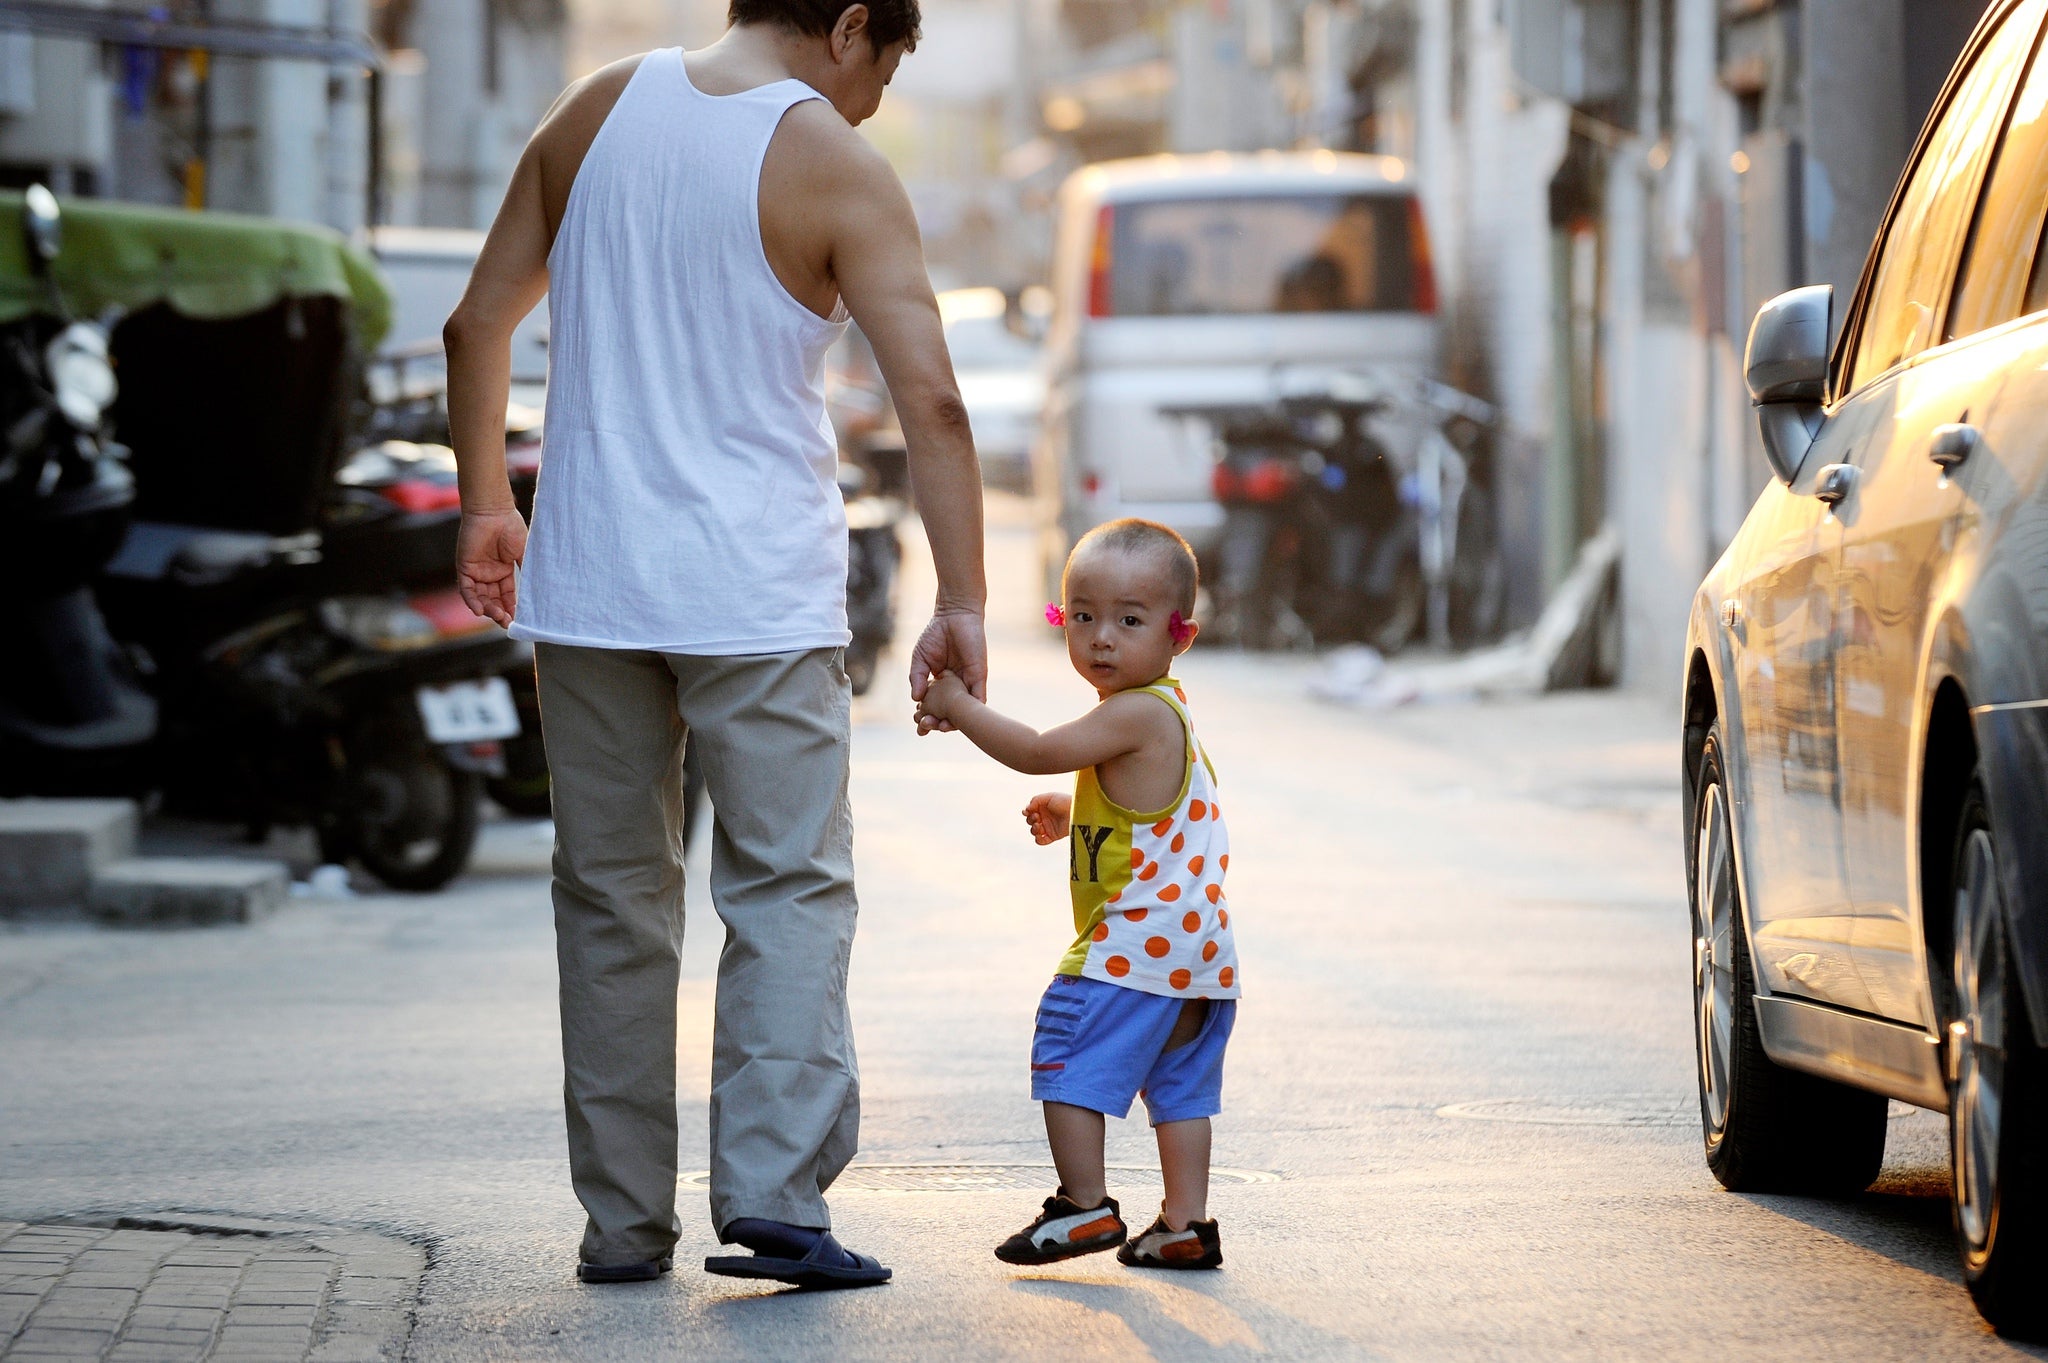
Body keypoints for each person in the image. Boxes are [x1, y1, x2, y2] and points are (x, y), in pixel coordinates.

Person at [444, 0, 987, 1290]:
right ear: (853, 25)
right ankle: (774, 1198)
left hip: (589, 591)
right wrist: (961, 598)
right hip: (754, 597)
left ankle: (623, 1224)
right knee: (788, 888)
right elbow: (934, 401)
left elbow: (477, 325)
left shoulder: (596, 108)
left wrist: (484, 506)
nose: (879, 95)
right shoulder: (835, 164)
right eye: (891, 62)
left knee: (611, 903)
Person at [914, 519, 1237, 1271]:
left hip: (1132, 943)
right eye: (1084, 615)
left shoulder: (1132, 712)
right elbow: (1145, 815)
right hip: (1199, 954)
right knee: (1180, 1088)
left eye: (1129, 620)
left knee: (1063, 1049)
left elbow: (1034, 750)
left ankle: (1084, 1204)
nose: (1101, 638)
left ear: (1177, 633)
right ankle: (1186, 1223)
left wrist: (958, 705)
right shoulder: (1165, 714)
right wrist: (1076, 812)